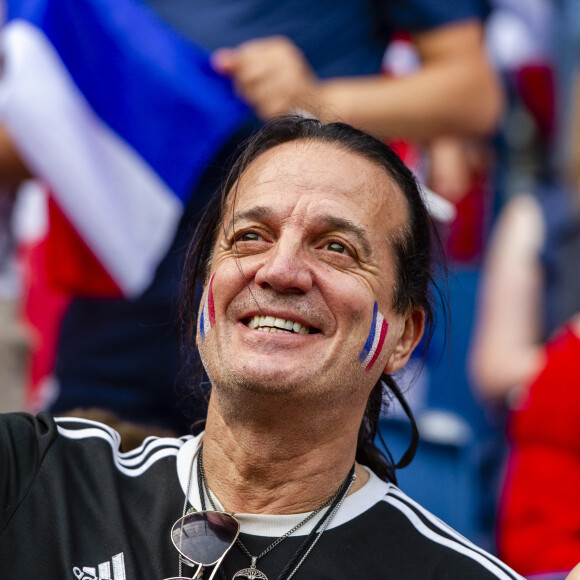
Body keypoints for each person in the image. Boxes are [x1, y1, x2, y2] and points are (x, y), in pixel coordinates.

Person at [0, 116, 535, 579]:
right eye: (250, 236)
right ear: (204, 288)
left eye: (336, 248)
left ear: (404, 336)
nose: (280, 272)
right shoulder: (38, 477)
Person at [0, 0, 503, 435]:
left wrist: (319, 101)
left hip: (286, 312)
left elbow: (473, 93)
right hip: (118, 300)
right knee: (78, 520)